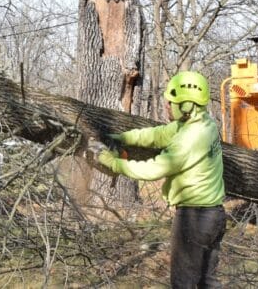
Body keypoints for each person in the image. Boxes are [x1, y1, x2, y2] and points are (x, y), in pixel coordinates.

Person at [90, 70, 226, 288]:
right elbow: (158, 134)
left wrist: (112, 162)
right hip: (214, 215)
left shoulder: (190, 139)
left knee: (183, 283)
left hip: (194, 218)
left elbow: (153, 170)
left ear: (186, 105)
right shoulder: (203, 124)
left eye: (171, 102)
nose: (166, 106)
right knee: (207, 282)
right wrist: (122, 137)